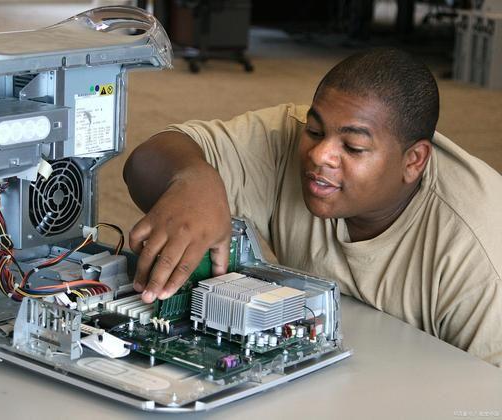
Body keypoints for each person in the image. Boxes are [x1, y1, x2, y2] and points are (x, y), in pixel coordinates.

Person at [122, 48, 502, 367]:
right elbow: (148, 158)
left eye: (353, 147)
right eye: (315, 131)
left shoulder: (481, 252)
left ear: (413, 161)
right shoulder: (288, 138)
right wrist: (192, 180)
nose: (320, 155)